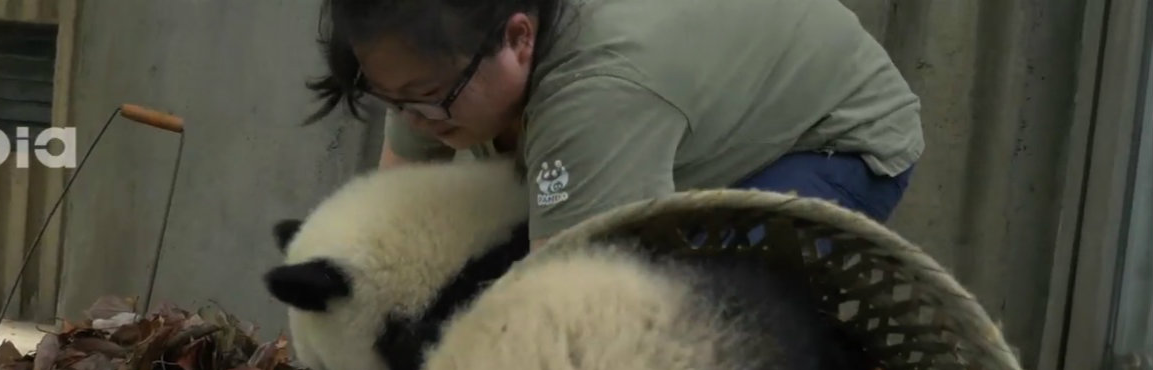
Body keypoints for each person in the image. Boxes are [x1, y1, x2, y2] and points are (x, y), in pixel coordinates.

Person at [304, 0, 924, 251]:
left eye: (429, 99)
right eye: (394, 99)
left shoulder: (594, 97)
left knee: (702, 316)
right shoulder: (435, 49)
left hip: (832, 138)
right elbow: (389, 209)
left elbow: (573, 304)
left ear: (519, 38)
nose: (416, 119)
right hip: (689, 93)